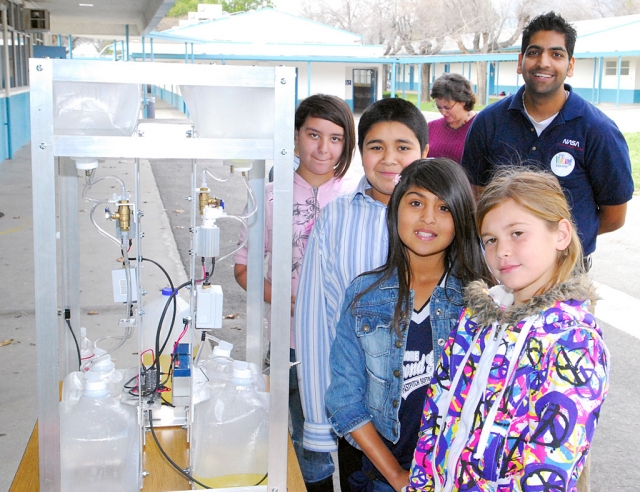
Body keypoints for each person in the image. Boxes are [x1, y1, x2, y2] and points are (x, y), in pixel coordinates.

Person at [406, 168, 610, 491]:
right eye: (490, 239)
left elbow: (546, 474)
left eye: (517, 233)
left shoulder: (574, 343)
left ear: (561, 234)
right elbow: (434, 417)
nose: (501, 251)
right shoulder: (475, 317)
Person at [325, 159, 494, 492]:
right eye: (416, 202)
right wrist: (397, 477)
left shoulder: (481, 300)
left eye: (444, 207)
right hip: (383, 478)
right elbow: (344, 398)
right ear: (395, 210)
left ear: (461, 219)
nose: (428, 217)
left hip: (459, 479)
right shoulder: (364, 295)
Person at [294, 97, 429, 490]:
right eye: (376, 147)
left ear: (424, 151)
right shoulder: (336, 217)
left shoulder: (446, 218)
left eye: (403, 147)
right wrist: (320, 423)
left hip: (434, 419)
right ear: (360, 153)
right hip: (360, 420)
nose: (389, 159)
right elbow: (316, 320)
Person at [233, 93, 358, 492]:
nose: (324, 148)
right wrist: (293, 300)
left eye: (336, 138)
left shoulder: (359, 197)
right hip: (292, 345)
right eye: (313, 135)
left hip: (351, 346)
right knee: (311, 449)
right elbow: (243, 270)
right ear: (295, 137)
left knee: (357, 443)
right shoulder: (269, 199)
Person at [461, 12, 633, 270]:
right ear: (520, 62)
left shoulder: (598, 130)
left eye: (556, 54)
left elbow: (614, 216)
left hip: (566, 271)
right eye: (534, 52)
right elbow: (475, 198)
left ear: (570, 65)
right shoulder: (488, 123)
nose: (543, 62)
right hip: (500, 268)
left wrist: (552, 244)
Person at [427, 73, 477, 164]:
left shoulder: (479, 127)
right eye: (439, 107)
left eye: (447, 107)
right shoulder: (431, 127)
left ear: (463, 101)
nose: (443, 112)